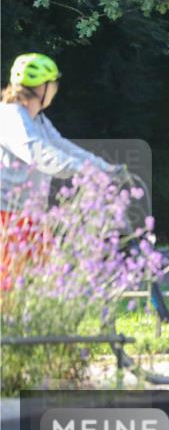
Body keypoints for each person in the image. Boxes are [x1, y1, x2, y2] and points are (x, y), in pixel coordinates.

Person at [1, 53, 117, 288]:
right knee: (9, 288)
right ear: (42, 88)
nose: (55, 89)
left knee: (48, 283)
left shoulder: (37, 119)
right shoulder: (12, 116)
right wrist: (84, 171)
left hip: (30, 215)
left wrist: (105, 168)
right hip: (7, 217)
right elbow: (38, 153)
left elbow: (61, 145)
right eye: (53, 84)